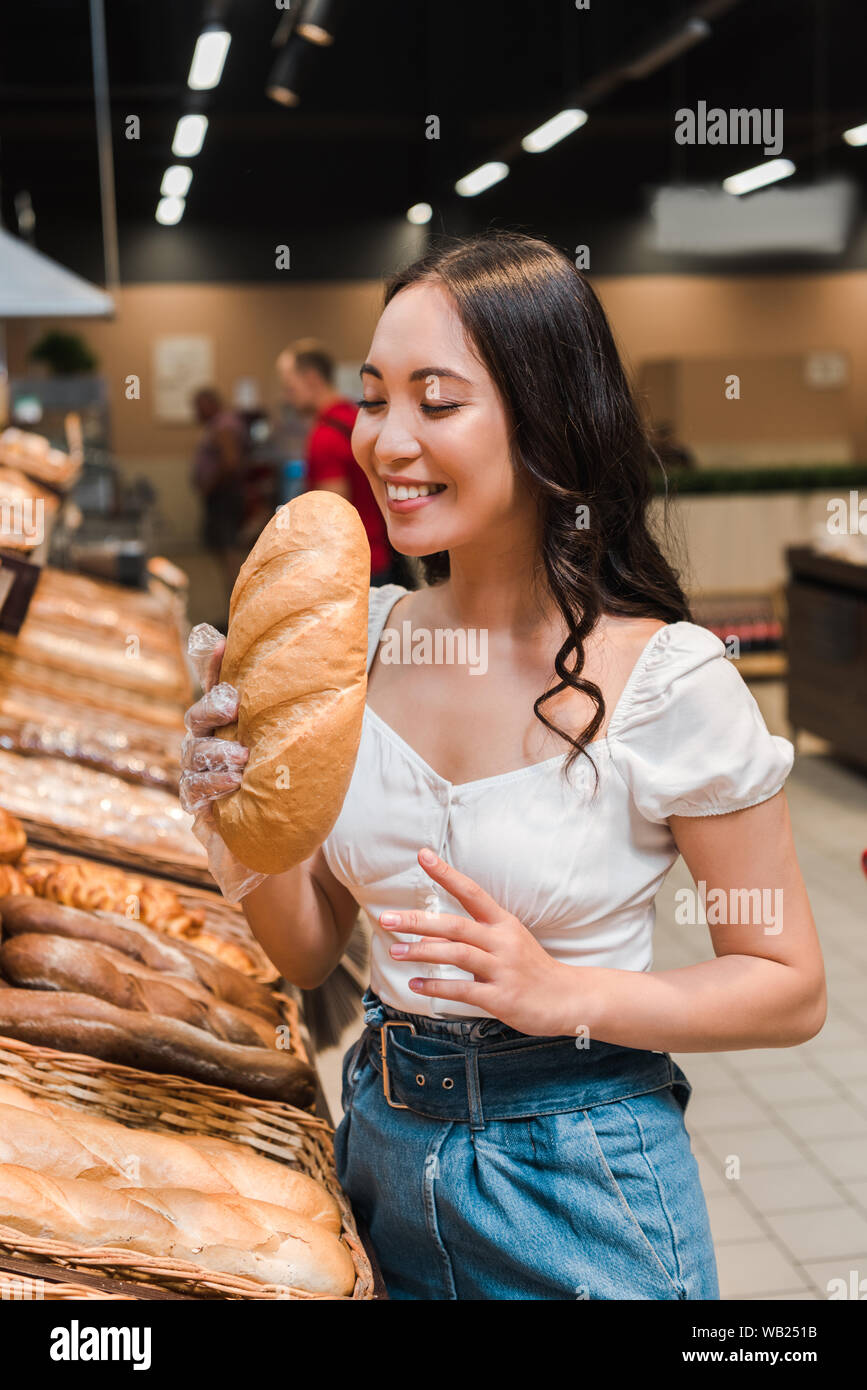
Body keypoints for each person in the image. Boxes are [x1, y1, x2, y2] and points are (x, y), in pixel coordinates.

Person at [181, 232, 826, 1300]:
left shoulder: (666, 679)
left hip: (581, 1184)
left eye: (438, 401)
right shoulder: (361, 643)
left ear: (546, 415)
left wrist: (560, 989)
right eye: (376, 397)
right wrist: (228, 822)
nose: (388, 439)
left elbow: (787, 985)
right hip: (381, 1155)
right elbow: (309, 954)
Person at [276, 339, 395, 584]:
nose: (288, 398)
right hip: (382, 554)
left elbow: (332, 519)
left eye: (290, 388)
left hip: (353, 565)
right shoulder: (356, 417)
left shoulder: (325, 436)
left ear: (311, 379)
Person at [190, 387, 248, 605]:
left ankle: (237, 610)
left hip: (224, 498)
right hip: (222, 496)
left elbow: (231, 461)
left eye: (198, 407)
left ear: (210, 404)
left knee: (230, 555)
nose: (196, 413)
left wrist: (210, 486)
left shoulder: (224, 426)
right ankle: (234, 608)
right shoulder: (219, 425)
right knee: (225, 554)